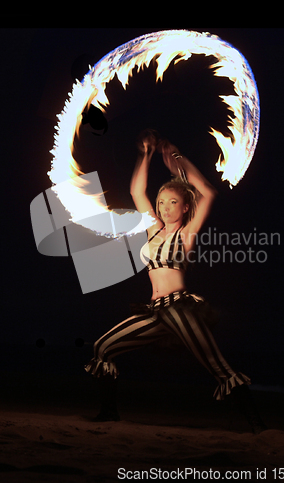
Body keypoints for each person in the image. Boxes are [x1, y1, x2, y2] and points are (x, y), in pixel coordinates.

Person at [85, 130, 267, 433]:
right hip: (154, 311)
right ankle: (109, 414)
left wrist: (179, 159)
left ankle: (259, 427)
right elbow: (136, 193)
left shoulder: (186, 234)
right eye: (162, 201)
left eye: (173, 202)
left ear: (185, 208)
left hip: (181, 309)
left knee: (218, 366)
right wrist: (145, 154)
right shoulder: (152, 230)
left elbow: (208, 191)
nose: (164, 206)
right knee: (103, 347)